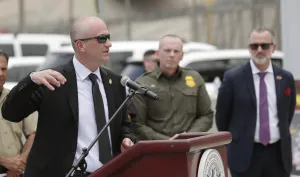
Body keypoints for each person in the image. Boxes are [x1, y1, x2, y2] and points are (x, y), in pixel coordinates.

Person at [1, 16, 135, 177]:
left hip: (106, 172)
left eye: (108, 37)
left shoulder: (116, 83)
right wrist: (30, 80)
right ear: (80, 45)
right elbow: (10, 113)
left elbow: (123, 125)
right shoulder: (52, 80)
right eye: (102, 38)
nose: (109, 44)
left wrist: (126, 139)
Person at [216, 27, 296, 177]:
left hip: (278, 155)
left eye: (264, 45)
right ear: (249, 48)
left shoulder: (285, 78)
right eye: (254, 46)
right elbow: (222, 118)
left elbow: (288, 113)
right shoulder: (233, 78)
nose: (259, 50)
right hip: (245, 156)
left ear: (273, 48)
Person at [131, 34, 214, 141]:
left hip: (189, 149)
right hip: (156, 150)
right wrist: (167, 142)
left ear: (182, 55)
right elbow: (137, 124)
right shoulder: (142, 83)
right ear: (158, 54)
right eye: (167, 50)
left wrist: (186, 137)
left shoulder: (195, 79)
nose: (172, 55)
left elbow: (206, 115)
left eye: (176, 51)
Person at [0, 50, 38, 177]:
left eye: (4, 69)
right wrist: (5, 161)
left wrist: (20, 163)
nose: (1, 74)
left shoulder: (16, 99)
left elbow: (33, 134)